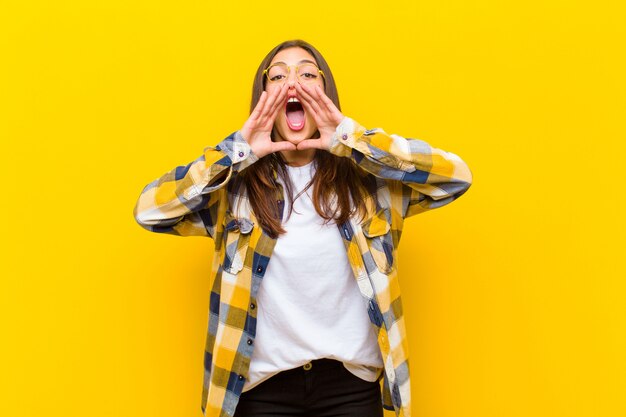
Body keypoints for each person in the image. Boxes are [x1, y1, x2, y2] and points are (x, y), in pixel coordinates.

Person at [133, 39, 472, 417]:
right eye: (277, 76)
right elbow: (150, 210)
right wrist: (238, 149)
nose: (293, 83)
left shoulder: (371, 186)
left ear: (326, 92)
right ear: (263, 98)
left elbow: (456, 177)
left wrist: (350, 138)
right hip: (261, 392)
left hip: (350, 390)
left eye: (308, 73)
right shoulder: (235, 190)